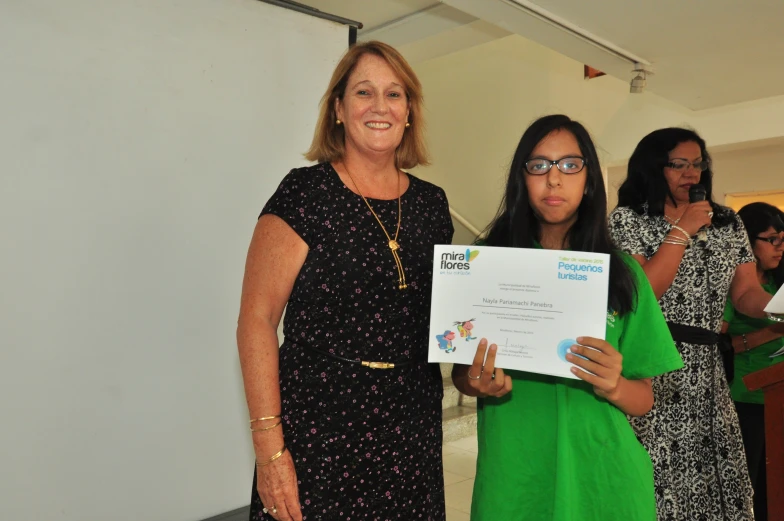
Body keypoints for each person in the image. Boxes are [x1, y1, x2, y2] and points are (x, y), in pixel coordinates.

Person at [236, 41, 453, 521]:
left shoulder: (432, 206)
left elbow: (448, 324)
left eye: (394, 94)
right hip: (320, 431)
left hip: (410, 432)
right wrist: (270, 451)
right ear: (337, 109)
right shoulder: (305, 193)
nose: (380, 107)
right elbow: (257, 318)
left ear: (410, 112)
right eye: (363, 92)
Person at [452, 115, 683, 521]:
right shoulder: (485, 263)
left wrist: (613, 384)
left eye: (569, 165)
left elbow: (644, 398)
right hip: (516, 482)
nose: (554, 179)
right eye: (539, 165)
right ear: (521, 178)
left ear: (588, 178)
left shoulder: (623, 274)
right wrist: (475, 382)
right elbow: (461, 374)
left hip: (605, 483)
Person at [609, 127, 776, 520]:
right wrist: (681, 230)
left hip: (707, 372)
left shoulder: (727, 222)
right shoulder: (628, 220)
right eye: (679, 165)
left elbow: (745, 294)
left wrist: (778, 309)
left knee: (714, 481)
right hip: (652, 364)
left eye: (698, 164)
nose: (692, 174)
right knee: (658, 478)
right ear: (653, 168)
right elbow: (642, 291)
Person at [723, 202, 784, 521]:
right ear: (747, 240)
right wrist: (773, 332)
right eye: (771, 239)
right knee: (754, 488)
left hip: (779, 398)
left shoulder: (778, 283)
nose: (780, 247)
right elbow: (721, 347)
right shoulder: (735, 287)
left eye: (783, 238)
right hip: (746, 399)